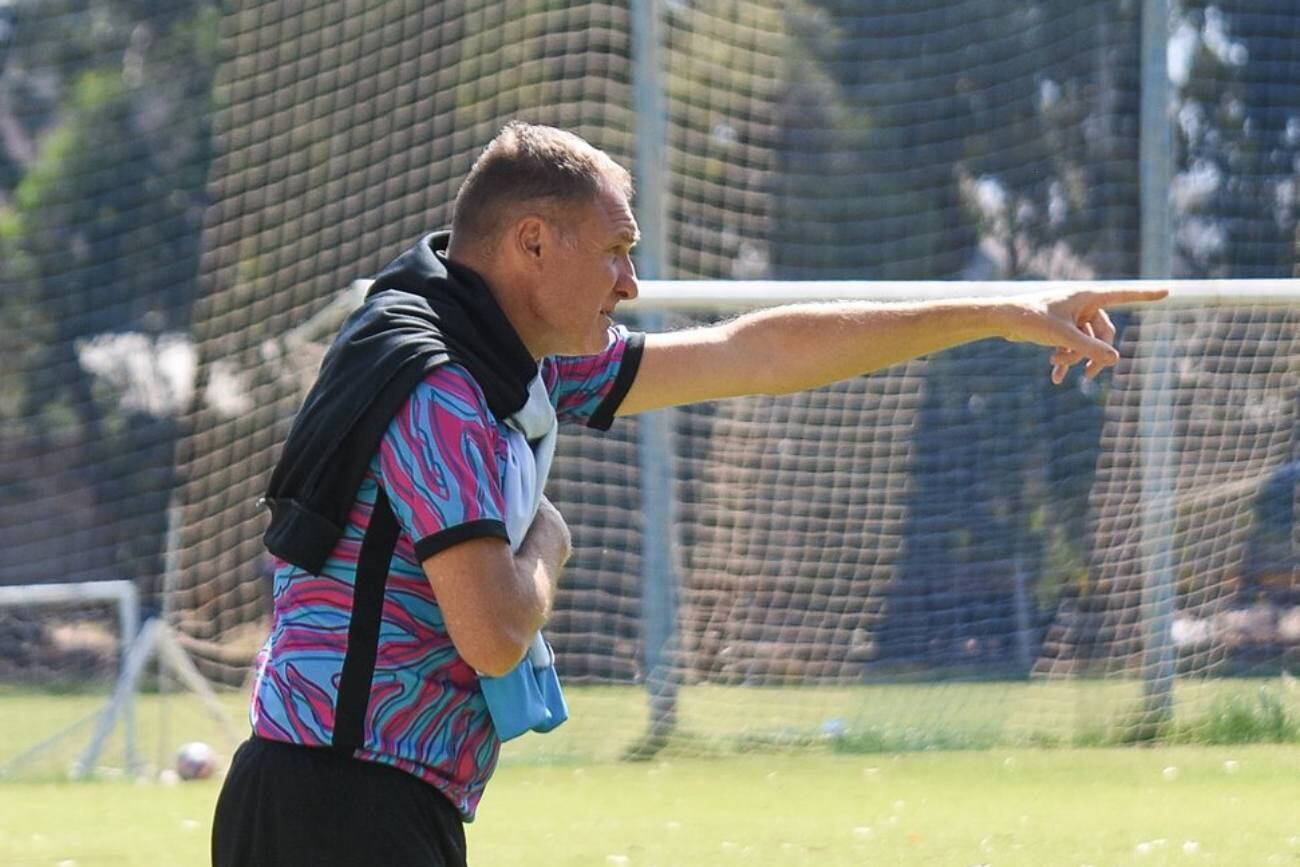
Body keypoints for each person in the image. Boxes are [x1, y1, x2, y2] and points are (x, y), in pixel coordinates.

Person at [211, 120, 1166, 867]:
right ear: (532, 243)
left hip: (354, 800)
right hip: (338, 810)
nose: (631, 281)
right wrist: (546, 541)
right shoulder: (443, 387)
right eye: (617, 251)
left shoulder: (511, 357)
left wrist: (999, 312)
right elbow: (495, 630)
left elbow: (755, 352)